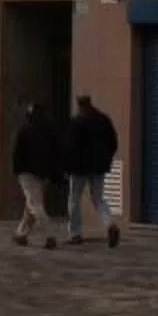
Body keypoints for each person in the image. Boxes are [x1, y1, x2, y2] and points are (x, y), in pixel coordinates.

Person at [63, 94, 121, 249]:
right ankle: (110, 224)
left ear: (79, 105)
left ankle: (75, 233)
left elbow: (70, 146)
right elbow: (113, 142)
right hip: (98, 167)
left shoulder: (77, 121)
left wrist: (67, 166)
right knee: (98, 199)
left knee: (74, 199)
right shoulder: (103, 120)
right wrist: (106, 159)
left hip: (79, 167)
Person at [10, 103, 61, 247]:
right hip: (43, 173)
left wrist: (16, 169)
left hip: (26, 171)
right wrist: (53, 172)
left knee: (34, 205)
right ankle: (21, 234)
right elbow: (56, 152)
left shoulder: (24, 131)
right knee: (31, 204)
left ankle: (49, 234)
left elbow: (17, 153)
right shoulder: (50, 131)